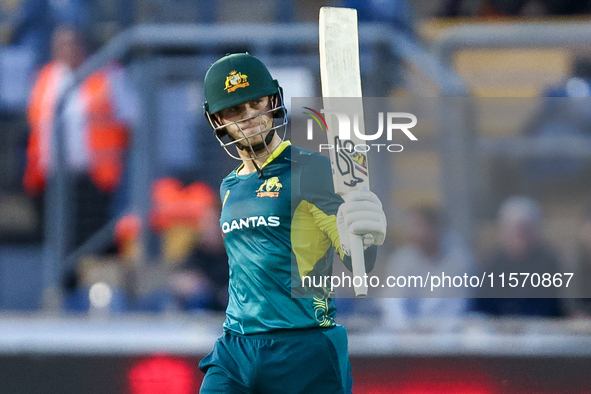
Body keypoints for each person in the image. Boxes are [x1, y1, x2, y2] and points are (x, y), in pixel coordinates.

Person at [197, 53, 387, 393]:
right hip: (236, 347)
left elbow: (357, 260)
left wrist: (364, 235)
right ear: (218, 121)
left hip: (303, 346)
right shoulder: (229, 186)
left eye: (256, 103)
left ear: (273, 101)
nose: (250, 117)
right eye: (235, 111)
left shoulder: (310, 171)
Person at [379, 206, 474, 328]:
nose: (412, 232)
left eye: (418, 226)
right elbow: (391, 302)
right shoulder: (402, 258)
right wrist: (403, 328)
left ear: (436, 229)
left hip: (446, 332)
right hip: (405, 332)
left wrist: (431, 331)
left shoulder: (459, 260)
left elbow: (456, 308)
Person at [474, 196, 564, 317]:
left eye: (525, 229)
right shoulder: (492, 265)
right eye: (512, 228)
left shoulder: (551, 264)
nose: (519, 235)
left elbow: (551, 309)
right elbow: (481, 308)